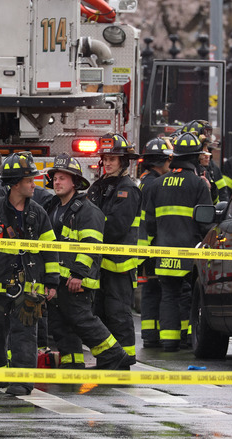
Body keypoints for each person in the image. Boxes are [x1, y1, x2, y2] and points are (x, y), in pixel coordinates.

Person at [0, 151, 59, 396]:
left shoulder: (38, 213)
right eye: (30, 180)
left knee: (25, 335)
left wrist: (51, 282)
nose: (34, 185)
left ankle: (21, 382)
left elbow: (51, 251)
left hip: (28, 288)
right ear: (16, 183)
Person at [42, 154, 127, 370]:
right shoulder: (53, 207)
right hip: (58, 277)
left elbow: (91, 244)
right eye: (55, 178)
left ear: (75, 183)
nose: (57, 182)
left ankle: (114, 355)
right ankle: (72, 362)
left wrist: (78, 274)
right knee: (61, 323)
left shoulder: (87, 210)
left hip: (76, 279)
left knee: (82, 320)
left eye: (62, 178)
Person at [139, 132, 212, 352]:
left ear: (175, 156)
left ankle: (169, 342)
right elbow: (206, 221)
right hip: (190, 252)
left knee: (169, 295)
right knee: (189, 295)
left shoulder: (157, 184)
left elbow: (148, 222)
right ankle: (188, 339)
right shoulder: (199, 185)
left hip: (163, 251)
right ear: (196, 158)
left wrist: (150, 249)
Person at [85, 134, 142, 367]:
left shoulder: (128, 189)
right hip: (99, 264)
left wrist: (91, 232)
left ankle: (125, 358)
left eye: (113, 159)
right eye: (105, 158)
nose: (107, 163)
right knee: (100, 312)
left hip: (119, 264)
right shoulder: (98, 187)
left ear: (124, 161)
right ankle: (107, 358)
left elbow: (116, 227)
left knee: (118, 313)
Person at [136, 137, 173, 348]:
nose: (171, 165)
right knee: (154, 289)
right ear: (161, 162)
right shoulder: (155, 185)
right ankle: (152, 334)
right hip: (152, 244)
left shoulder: (146, 181)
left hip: (145, 245)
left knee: (151, 287)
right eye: (169, 161)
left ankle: (150, 332)